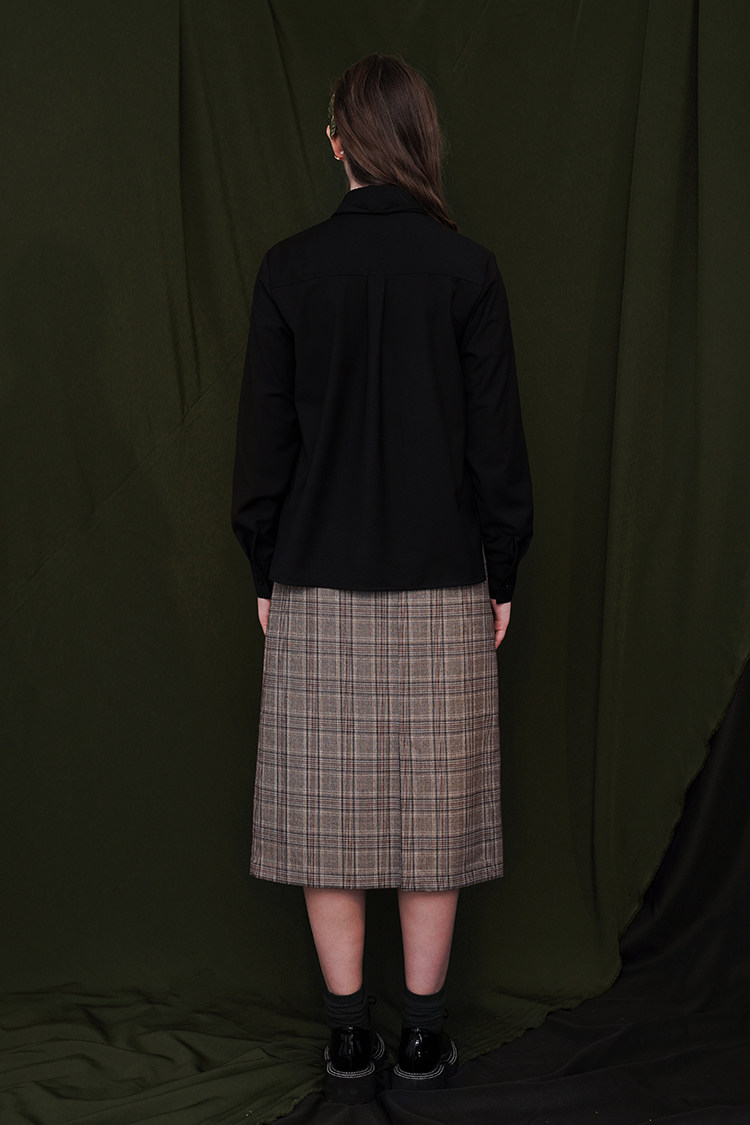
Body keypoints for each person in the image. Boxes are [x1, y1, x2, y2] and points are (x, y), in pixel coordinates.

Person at [231, 52, 533, 1103]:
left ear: (337, 143)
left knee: (329, 820)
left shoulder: (289, 270)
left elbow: (263, 447)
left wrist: (264, 560)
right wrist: (502, 567)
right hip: (444, 581)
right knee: (432, 823)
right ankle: (423, 1038)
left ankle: (349, 1038)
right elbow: (496, 447)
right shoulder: (467, 271)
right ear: (420, 141)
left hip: (315, 578)